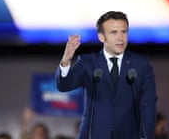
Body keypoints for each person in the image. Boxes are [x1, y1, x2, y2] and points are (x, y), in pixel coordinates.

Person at [55, 11, 157, 139]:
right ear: (102, 37)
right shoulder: (88, 62)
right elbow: (64, 85)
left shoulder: (141, 64)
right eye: (114, 32)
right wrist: (66, 60)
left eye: (124, 32)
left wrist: (145, 137)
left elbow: (148, 105)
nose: (120, 38)